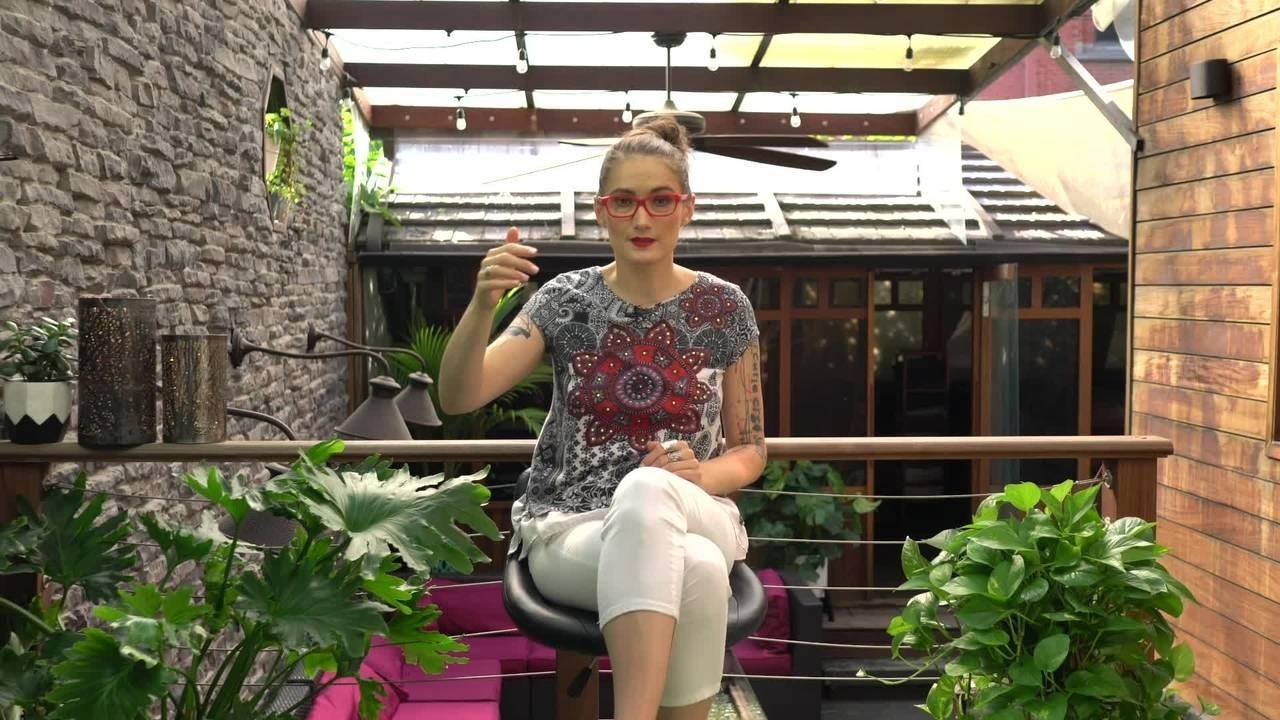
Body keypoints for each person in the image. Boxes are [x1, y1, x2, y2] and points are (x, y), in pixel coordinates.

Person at [438, 116, 767, 720]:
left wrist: (700, 476)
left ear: (687, 209)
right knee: (694, 565)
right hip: (573, 527)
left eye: (660, 200)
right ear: (601, 211)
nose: (642, 219)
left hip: (696, 510)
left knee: (649, 490)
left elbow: (750, 449)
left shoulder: (726, 307)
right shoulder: (564, 300)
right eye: (624, 202)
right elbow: (460, 395)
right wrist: (483, 304)